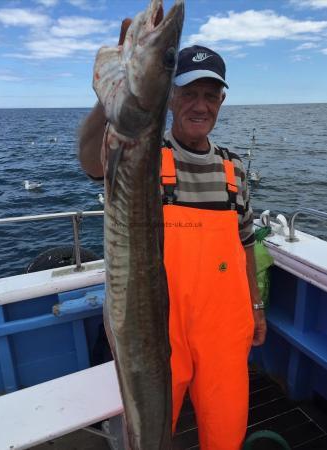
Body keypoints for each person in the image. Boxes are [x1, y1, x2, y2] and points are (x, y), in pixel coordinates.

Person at [79, 19, 267, 450]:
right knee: (150, 431)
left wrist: (256, 306)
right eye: (188, 93)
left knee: (226, 432)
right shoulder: (145, 155)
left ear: (220, 101)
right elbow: (92, 162)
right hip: (158, 332)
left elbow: (245, 243)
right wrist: (109, 102)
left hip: (224, 331)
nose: (200, 106)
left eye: (210, 95)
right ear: (169, 99)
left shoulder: (233, 169)